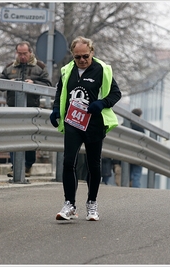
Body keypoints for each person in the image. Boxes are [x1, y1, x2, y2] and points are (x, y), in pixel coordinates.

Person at [49, 36, 122, 221]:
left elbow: (116, 93)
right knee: (68, 162)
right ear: (73, 56)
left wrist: (102, 103)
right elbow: (60, 91)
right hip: (73, 121)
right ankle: (69, 204)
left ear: (92, 53)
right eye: (77, 57)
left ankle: (92, 203)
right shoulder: (67, 71)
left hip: (94, 123)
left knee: (93, 165)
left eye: (85, 56)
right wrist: (56, 109)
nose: (81, 60)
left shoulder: (102, 69)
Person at [0, 41, 52, 177]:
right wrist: (7, 83)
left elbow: (48, 85)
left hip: (31, 110)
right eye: (20, 53)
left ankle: (27, 165)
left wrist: (34, 83)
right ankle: (16, 166)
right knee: (13, 138)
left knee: (29, 138)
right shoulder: (10, 68)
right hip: (13, 109)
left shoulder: (39, 67)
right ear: (17, 53)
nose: (22, 56)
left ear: (30, 53)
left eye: (25, 54)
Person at [129, 108, 145, 188]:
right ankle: (136, 189)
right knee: (136, 173)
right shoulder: (140, 126)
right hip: (137, 153)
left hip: (126, 152)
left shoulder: (126, 124)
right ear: (139, 116)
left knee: (128, 172)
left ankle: (126, 187)